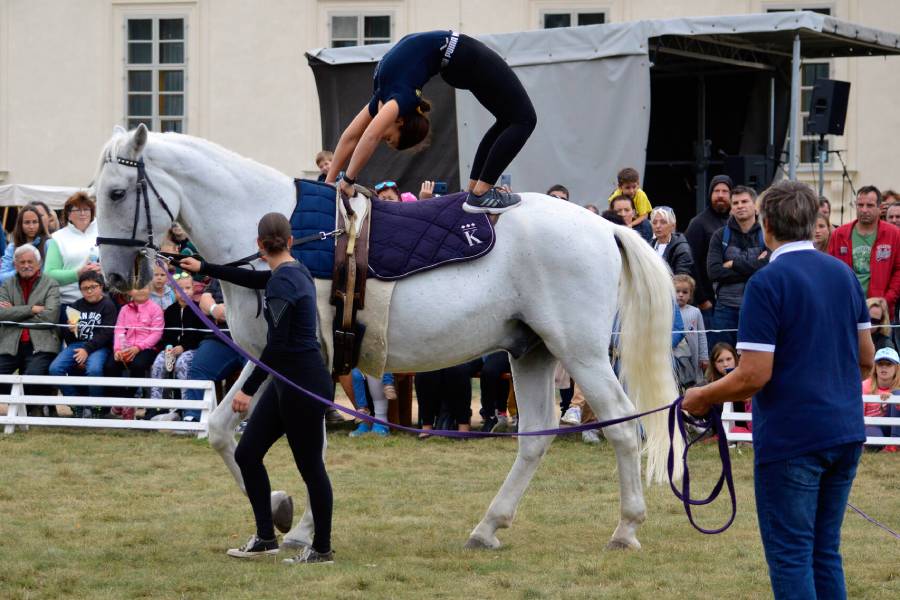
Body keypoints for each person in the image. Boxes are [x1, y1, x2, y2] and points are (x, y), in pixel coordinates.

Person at [683, 180, 874, 599]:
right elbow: (866, 359)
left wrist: (702, 396)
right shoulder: (844, 274)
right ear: (812, 222)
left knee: (791, 556)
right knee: (825, 553)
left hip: (793, 439)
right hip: (844, 430)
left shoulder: (767, 283)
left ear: (766, 225)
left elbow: (753, 375)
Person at [179, 213, 335, 565]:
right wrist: (204, 267)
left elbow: (276, 345)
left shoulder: (285, 280)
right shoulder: (294, 271)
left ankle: (322, 548)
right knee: (248, 453)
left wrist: (246, 389)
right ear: (290, 241)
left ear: (259, 246)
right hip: (288, 383)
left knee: (311, 468)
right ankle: (266, 536)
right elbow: (254, 279)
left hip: (302, 385)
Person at [326, 30, 536, 214]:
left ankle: (475, 190)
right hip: (464, 58)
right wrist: (330, 186)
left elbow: (360, 136)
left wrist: (346, 180)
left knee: (511, 120)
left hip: (461, 58)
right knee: (524, 119)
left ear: (400, 122)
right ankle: (480, 193)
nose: (381, 135)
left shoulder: (394, 100)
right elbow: (354, 137)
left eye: (388, 138)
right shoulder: (395, 98)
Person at [0, 244, 61, 415]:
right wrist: (31, 309)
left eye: (30, 262)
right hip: (10, 342)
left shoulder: (51, 284)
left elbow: (50, 317)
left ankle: (31, 406)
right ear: (15, 265)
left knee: (33, 376)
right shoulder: (7, 284)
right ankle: (25, 404)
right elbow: (1, 313)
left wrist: (14, 313)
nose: (26, 265)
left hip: (41, 343)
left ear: (39, 263)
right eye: (22, 262)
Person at [48, 271, 118, 417]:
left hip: (99, 347)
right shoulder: (75, 305)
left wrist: (86, 350)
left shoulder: (108, 306)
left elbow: (106, 334)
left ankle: (96, 406)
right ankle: (76, 404)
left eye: (93, 286)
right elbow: (70, 338)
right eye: (85, 288)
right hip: (77, 345)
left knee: (94, 369)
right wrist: (70, 329)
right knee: (55, 368)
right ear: (80, 290)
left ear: (101, 286)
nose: (90, 291)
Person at [707, 186, 769, 348]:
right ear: (731, 208)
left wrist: (733, 264)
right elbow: (714, 272)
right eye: (735, 203)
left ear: (755, 206)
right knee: (721, 359)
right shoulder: (720, 236)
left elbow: (769, 268)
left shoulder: (768, 234)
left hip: (757, 306)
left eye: (744, 201)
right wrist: (754, 267)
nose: (740, 206)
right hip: (724, 309)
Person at [179, 278, 246, 424]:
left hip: (254, 338)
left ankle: (248, 419)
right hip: (221, 337)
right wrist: (214, 309)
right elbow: (204, 299)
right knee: (199, 367)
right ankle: (195, 417)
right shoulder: (222, 273)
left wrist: (229, 311)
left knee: (255, 374)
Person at [828, 185, 900, 317]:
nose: (864, 210)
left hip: (879, 311)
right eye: (860, 205)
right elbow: (830, 272)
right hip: (846, 309)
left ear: (880, 208)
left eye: (870, 205)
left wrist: (886, 300)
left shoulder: (894, 234)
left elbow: (898, 270)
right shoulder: (839, 235)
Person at [147, 273, 205, 420]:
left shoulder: (199, 310)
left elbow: (199, 335)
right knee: (159, 363)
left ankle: (186, 408)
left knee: (182, 363)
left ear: (193, 289)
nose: (184, 292)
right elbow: (167, 335)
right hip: (172, 349)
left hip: (192, 349)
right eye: (180, 289)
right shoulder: (170, 311)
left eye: (188, 288)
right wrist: (169, 347)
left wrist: (183, 347)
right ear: (173, 290)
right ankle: (155, 406)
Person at [104, 284, 164, 420]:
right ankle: (123, 401)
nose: (141, 290)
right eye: (137, 288)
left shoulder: (156, 309)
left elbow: (156, 334)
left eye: (144, 287)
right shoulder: (124, 309)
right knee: (109, 366)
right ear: (130, 291)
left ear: (150, 289)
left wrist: (139, 347)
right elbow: (119, 329)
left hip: (147, 348)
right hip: (126, 347)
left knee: (138, 365)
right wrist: (118, 350)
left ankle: (129, 402)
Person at [685, 174, 733, 334]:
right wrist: (702, 299)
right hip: (709, 305)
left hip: (733, 302)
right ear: (710, 194)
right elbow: (690, 263)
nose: (720, 195)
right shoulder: (698, 223)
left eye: (725, 191)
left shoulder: (737, 223)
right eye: (716, 191)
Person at [43, 192, 101, 312]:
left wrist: (102, 269)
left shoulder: (103, 234)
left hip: (102, 303)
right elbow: (49, 274)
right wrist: (77, 273)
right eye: (78, 210)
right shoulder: (58, 238)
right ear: (69, 215)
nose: (83, 213)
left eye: (86, 209)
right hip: (70, 303)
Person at [414, 363, 473, 439]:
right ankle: (427, 426)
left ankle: (463, 427)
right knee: (424, 372)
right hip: (436, 357)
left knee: (457, 369)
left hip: (466, 357)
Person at [673, 274, 709, 389]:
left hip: (693, 354)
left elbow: (701, 335)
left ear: (690, 295)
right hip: (675, 354)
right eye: (677, 291)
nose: (680, 295)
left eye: (685, 292)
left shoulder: (695, 312)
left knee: (693, 382)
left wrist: (704, 356)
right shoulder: (667, 312)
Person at [862, 346, 900, 450]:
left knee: (898, 393)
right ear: (875, 367)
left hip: (896, 428)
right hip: (873, 426)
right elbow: (859, 416)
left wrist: (894, 400)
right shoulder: (864, 386)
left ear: (896, 367)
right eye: (880, 364)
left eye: (889, 364)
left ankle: (894, 445)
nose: (884, 367)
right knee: (872, 434)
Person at [1, 205, 49, 283]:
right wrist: (21, 271)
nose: (31, 226)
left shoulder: (48, 244)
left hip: (41, 291)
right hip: (17, 292)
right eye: (27, 222)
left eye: (35, 222)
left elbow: (50, 274)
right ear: (20, 224)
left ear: (40, 223)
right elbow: (2, 277)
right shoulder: (12, 247)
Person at [650, 206, 693, 276]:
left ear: (673, 226)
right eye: (654, 222)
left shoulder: (681, 249)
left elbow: (682, 279)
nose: (657, 226)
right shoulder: (648, 246)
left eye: (663, 222)